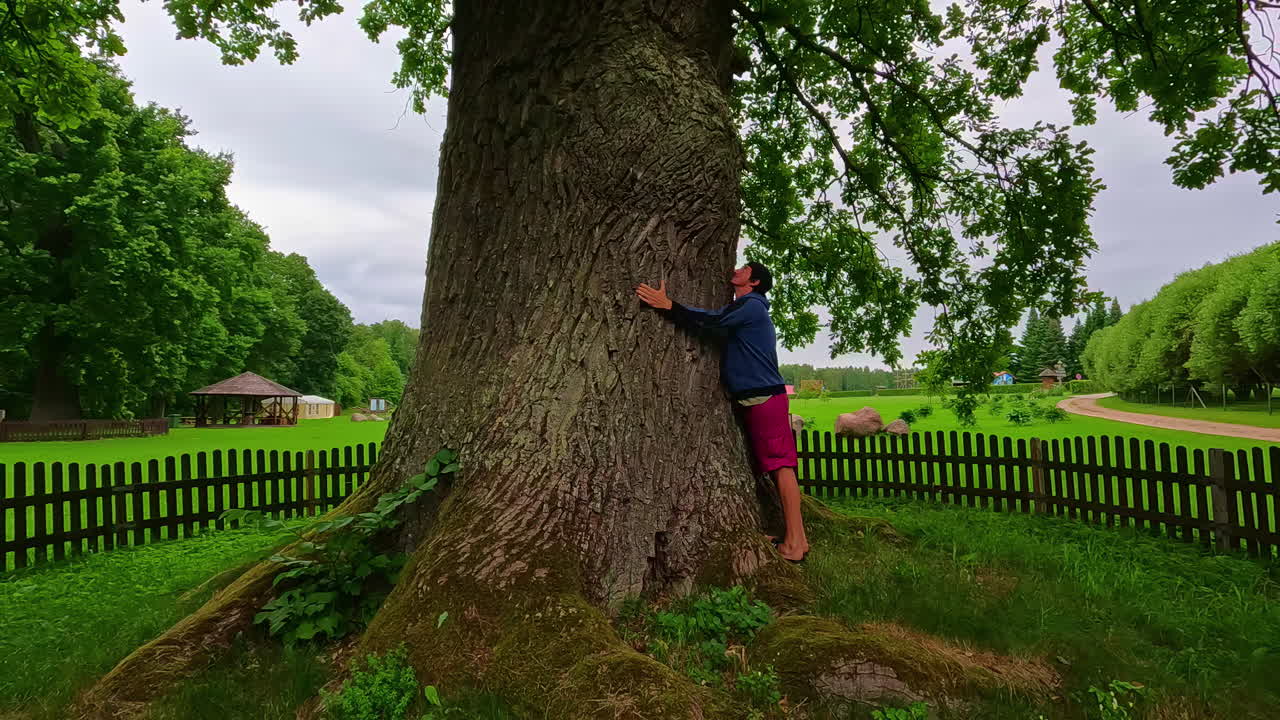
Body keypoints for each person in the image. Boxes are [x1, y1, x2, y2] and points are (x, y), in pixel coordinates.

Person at [636, 262, 809, 562]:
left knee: (781, 466)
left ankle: (795, 543)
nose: (737, 269)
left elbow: (713, 322)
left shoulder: (751, 305)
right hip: (757, 397)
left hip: (764, 397)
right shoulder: (746, 308)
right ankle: (796, 538)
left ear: (753, 282)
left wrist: (669, 306)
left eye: (744, 269)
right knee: (777, 466)